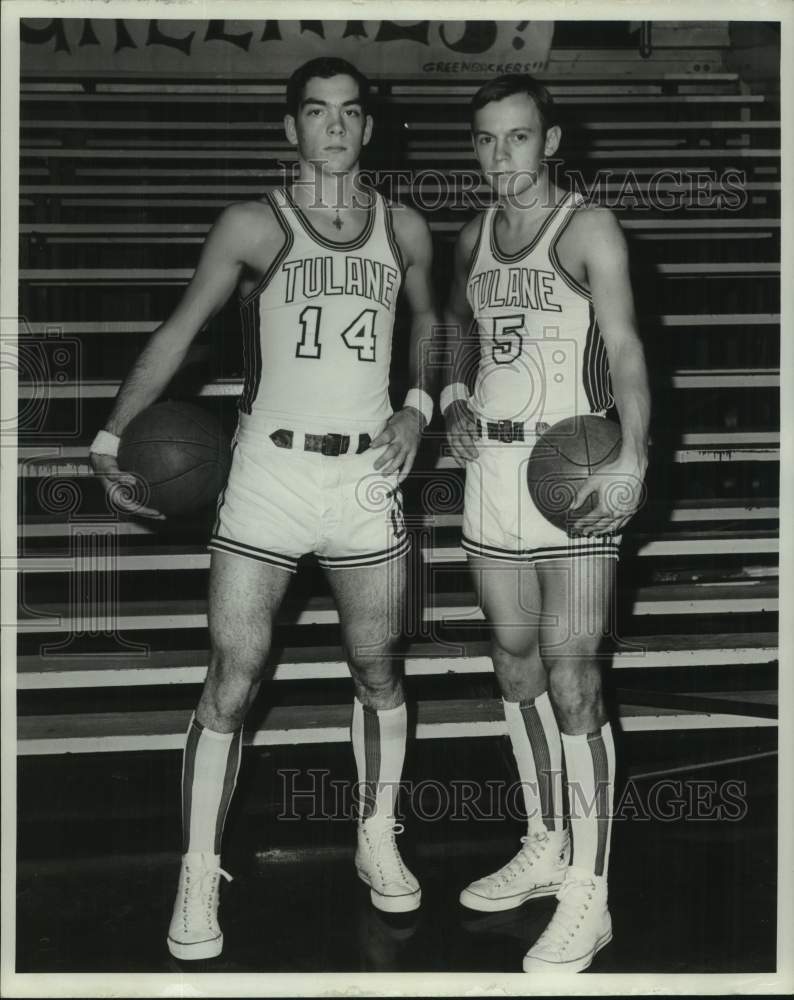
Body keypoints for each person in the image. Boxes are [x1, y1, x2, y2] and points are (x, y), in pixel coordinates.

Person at [89, 56, 439, 960]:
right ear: (291, 128)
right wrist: (109, 435)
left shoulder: (403, 226)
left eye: (350, 113)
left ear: (369, 128)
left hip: (368, 479)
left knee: (379, 669)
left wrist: (421, 405)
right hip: (266, 478)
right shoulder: (253, 223)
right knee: (234, 674)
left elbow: (435, 326)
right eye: (316, 113)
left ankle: (375, 836)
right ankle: (199, 870)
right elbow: (180, 330)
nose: (334, 127)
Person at [442, 74, 650, 973]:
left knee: (574, 680)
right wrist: (452, 393)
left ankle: (590, 895)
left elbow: (630, 345)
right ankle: (548, 841)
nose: (502, 158)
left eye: (518, 139)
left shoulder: (590, 228)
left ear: (551, 140)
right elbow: (461, 329)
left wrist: (636, 453)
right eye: (487, 140)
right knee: (514, 667)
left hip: (576, 474)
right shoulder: (470, 239)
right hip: (491, 469)